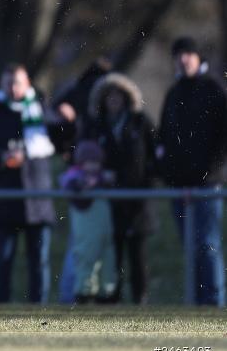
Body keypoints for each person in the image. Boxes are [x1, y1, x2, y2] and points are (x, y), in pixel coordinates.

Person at [0, 64, 59, 304]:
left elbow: (63, 137)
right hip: (6, 200)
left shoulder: (43, 112)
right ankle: (0, 310)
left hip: (38, 201)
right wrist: (2, 159)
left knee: (40, 260)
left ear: (28, 83)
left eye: (17, 82)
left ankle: (40, 312)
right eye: (8, 82)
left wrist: (68, 117)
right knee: (3, 260)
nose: (13, 87)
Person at [158, 36, 227, 306]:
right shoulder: (173, 94)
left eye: (188, 53)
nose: (183, 59)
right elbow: (164, 137)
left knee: (207, 245)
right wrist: (170, 175)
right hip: (180, 186)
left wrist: (209, 173)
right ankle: (198, 303)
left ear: (198, 58)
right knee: (191, 247)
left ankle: (214, 303)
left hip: (208, 185)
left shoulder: (214, 90)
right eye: (179, 54)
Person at [87, 73, 157, 304]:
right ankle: (109, 299)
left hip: (137, 201)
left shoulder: (140, 122)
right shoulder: (97, 127)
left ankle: (140, 300)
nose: (114, 101)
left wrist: (145, 181)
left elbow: (153, 156)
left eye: (118, 96)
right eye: (110, 97)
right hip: (108, 200)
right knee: (110, 255)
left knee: (138, 255)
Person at [59, 140, 117, 303]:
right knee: (86, 258)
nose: (93, 166)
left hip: (103, 232)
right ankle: (83, 292)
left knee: (106, 260)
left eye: (96, 163)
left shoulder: (100, 179)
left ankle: (105, 292)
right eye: (89, 162)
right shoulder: (74, 178)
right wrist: (86, 185)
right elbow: (71, 185)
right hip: (86, 232)